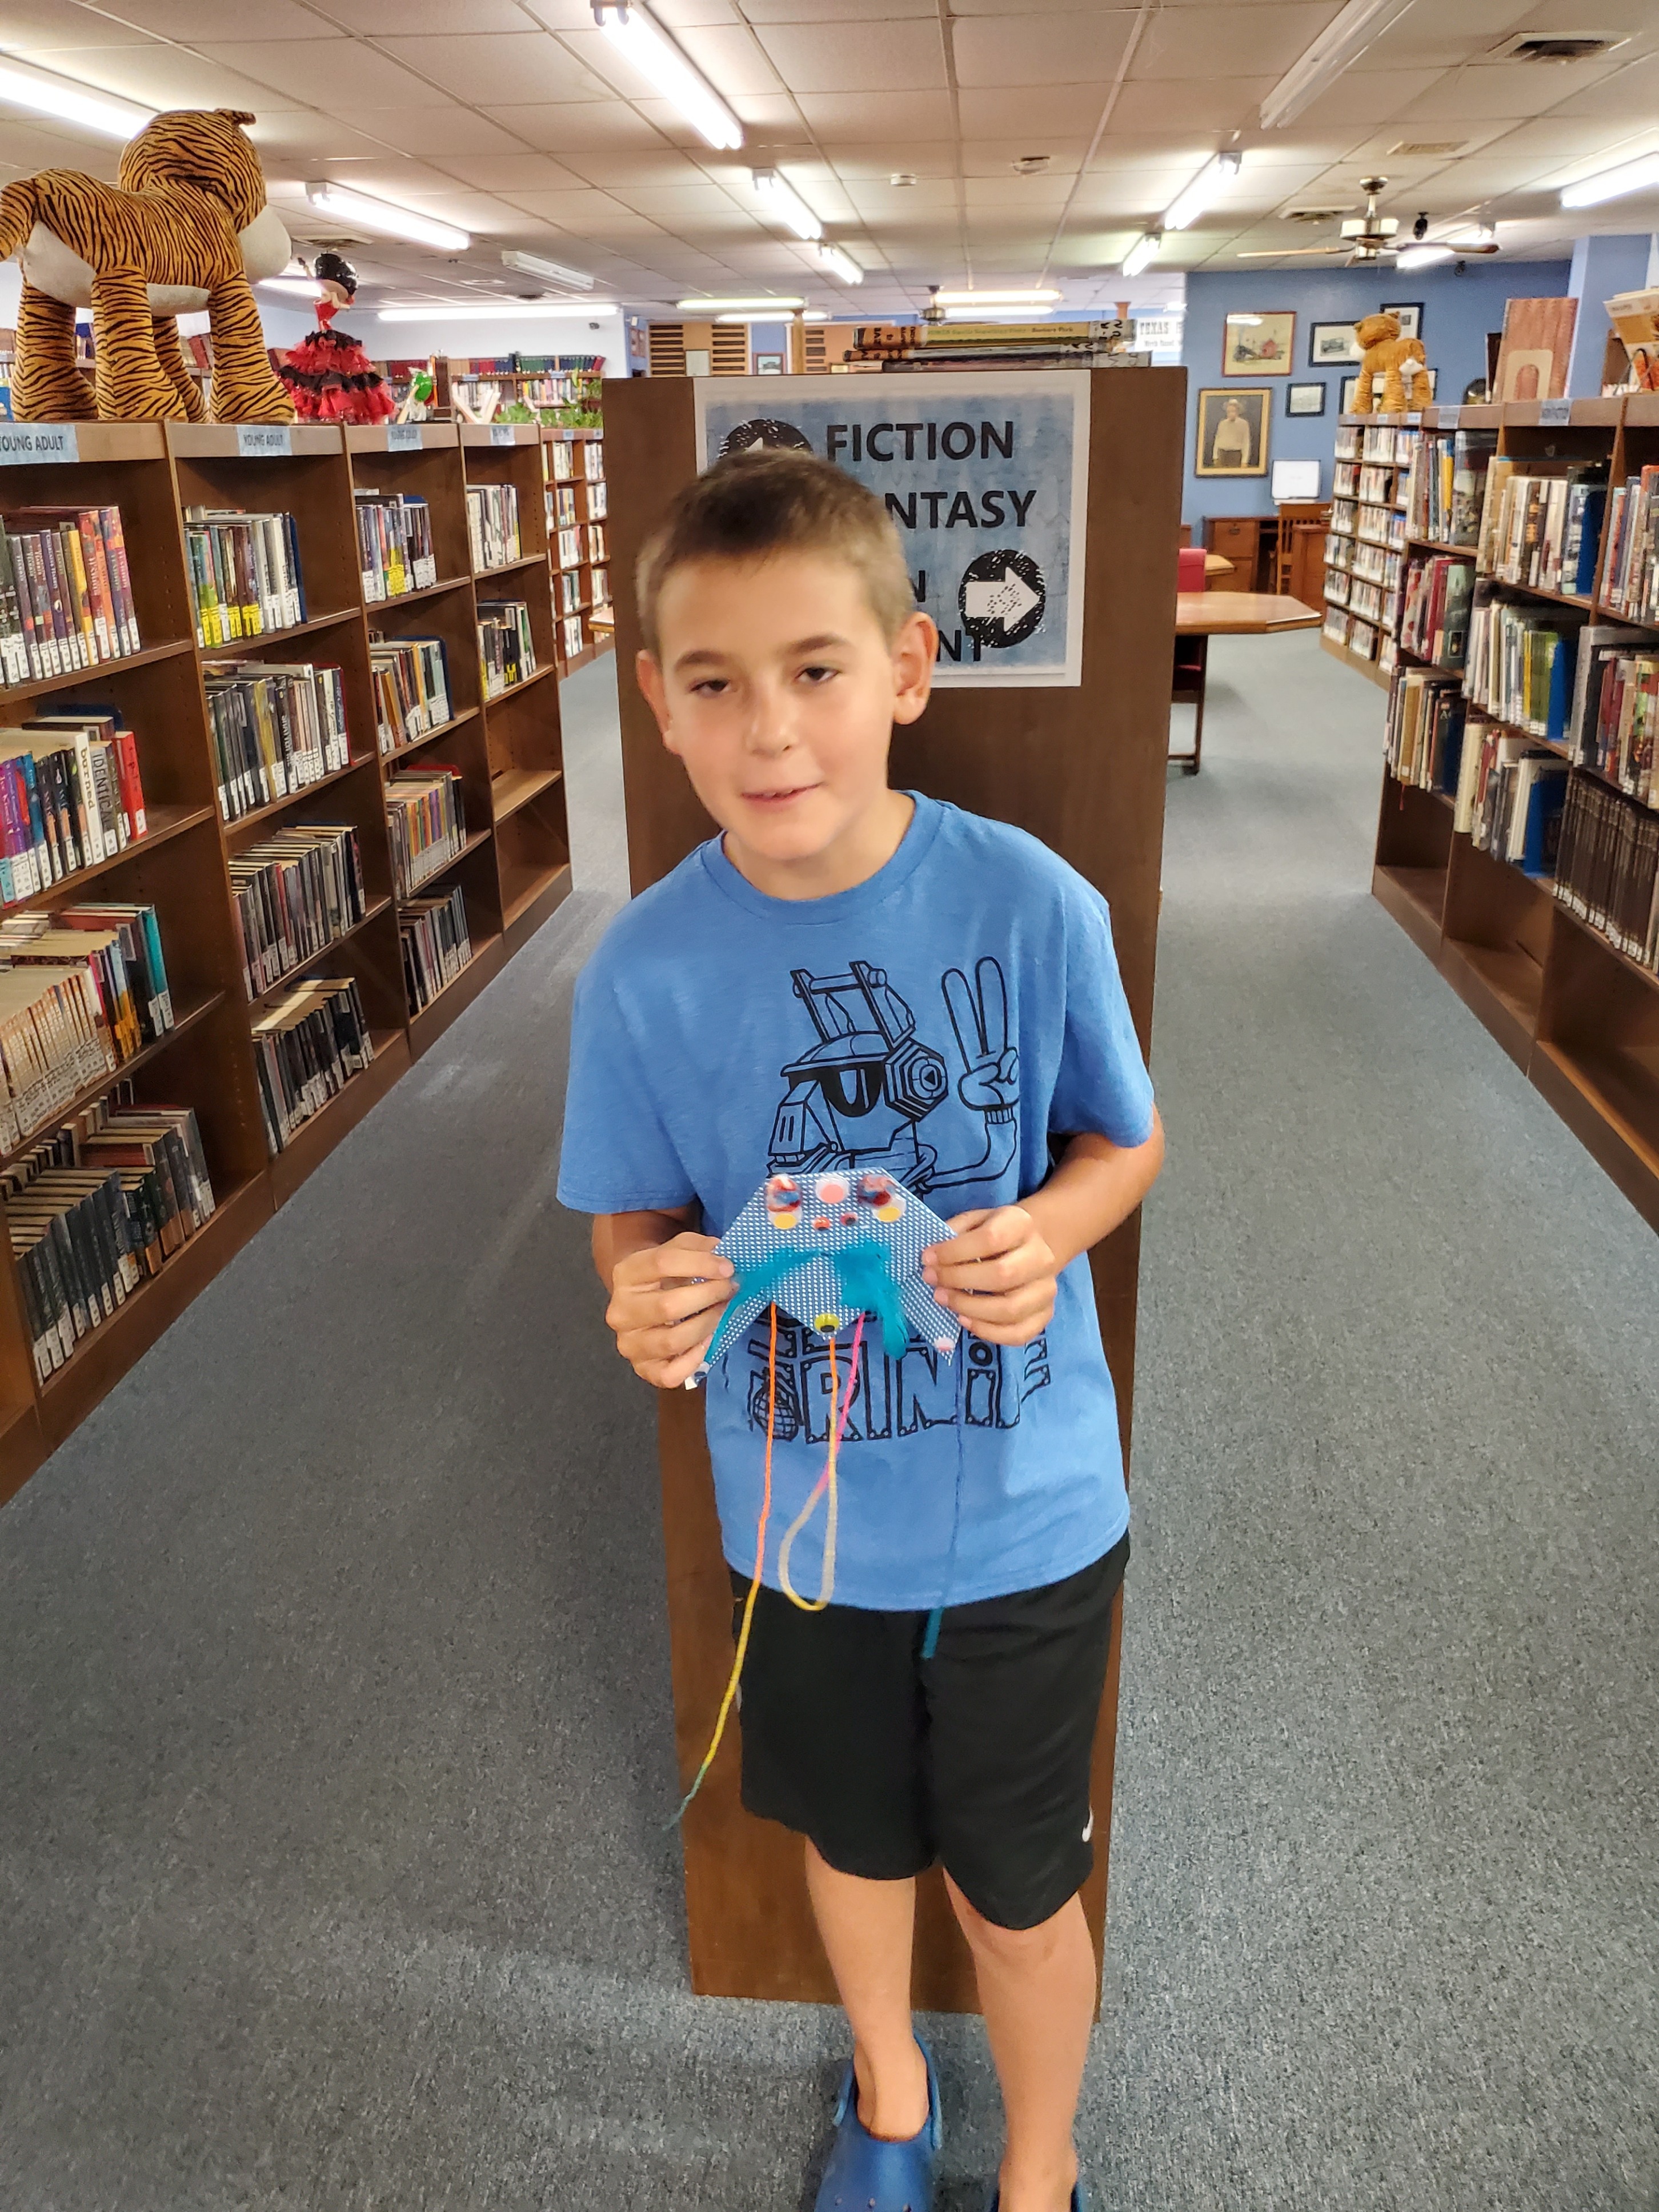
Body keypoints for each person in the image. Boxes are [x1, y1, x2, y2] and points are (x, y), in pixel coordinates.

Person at [557, 450, 1164, 2212]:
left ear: (905, 668)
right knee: (853, 1837)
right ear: (657, 705)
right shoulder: (643, 973)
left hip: (1031, 1509)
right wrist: (641, 1292)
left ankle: (1038, 2166)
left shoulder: (1032, 905)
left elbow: (1121, 1142)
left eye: (814, 670)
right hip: (805, 1525)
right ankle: (890, 2098)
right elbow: (628, 1218)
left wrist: (1049, 1231)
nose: (768, 730)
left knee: (1018, 1888)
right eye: (713, 683)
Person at [1209, 395, 1252, 468]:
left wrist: (1244, 461)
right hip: (1222, 454)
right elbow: (1217, 440)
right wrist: (1215, 457)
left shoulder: (1244, 424)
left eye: (1233, 411)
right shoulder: (1222, 423)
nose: (1231, 414)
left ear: (1238, 412)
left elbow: (1246, 442)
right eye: (1229, 412)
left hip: (1235, 455)